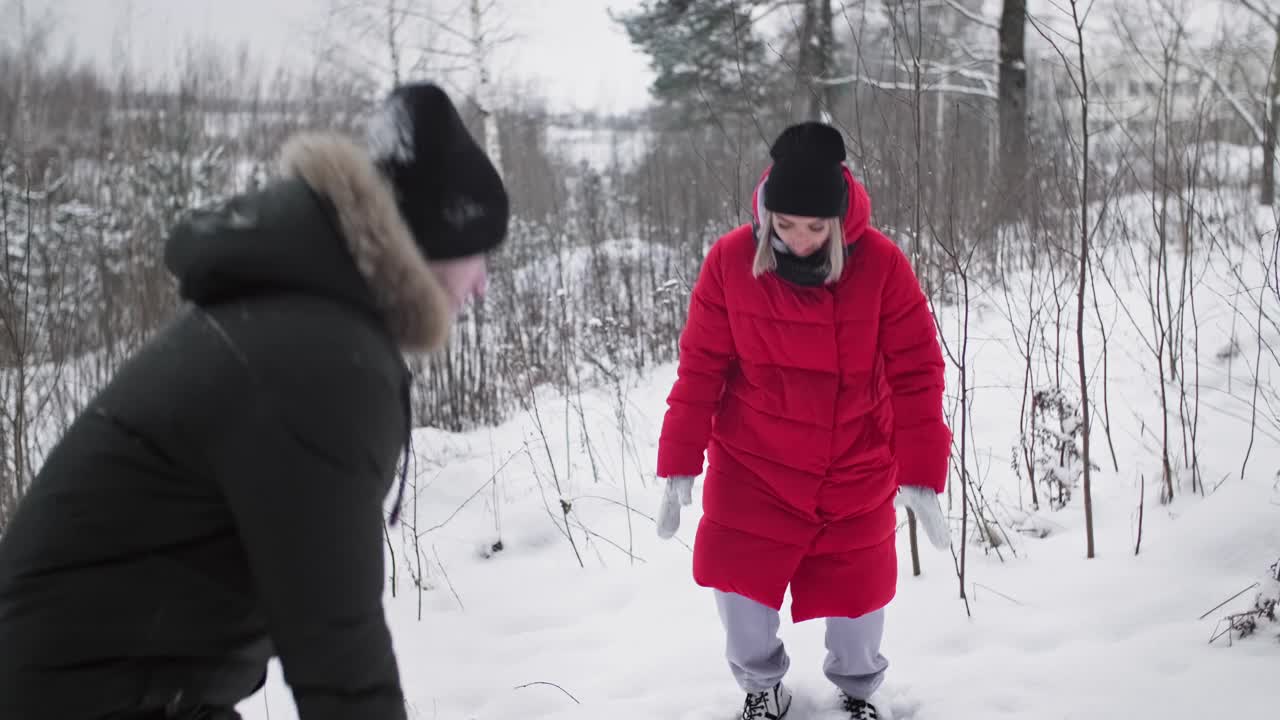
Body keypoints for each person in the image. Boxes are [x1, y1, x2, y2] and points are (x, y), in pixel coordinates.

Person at [0, 81, 508, 720]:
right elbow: (335, 645)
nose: (483, 284)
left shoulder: (293, 323)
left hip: (106, 684)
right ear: (430, 239)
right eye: (478, 253)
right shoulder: (321, 361)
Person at [654, 121, 952, 720]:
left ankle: (858, 692)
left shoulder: (883, 266)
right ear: (765, 213)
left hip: (855, 462)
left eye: (816, 228)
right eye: (784, 225)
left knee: (859, 600)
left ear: (840, 219)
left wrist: (921, 473)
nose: (800, 238)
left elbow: (917, 371)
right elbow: (701, 368)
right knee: (739, 589)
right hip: (753, 461)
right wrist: (679, 463)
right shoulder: (731, 261)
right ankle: (761, 689)